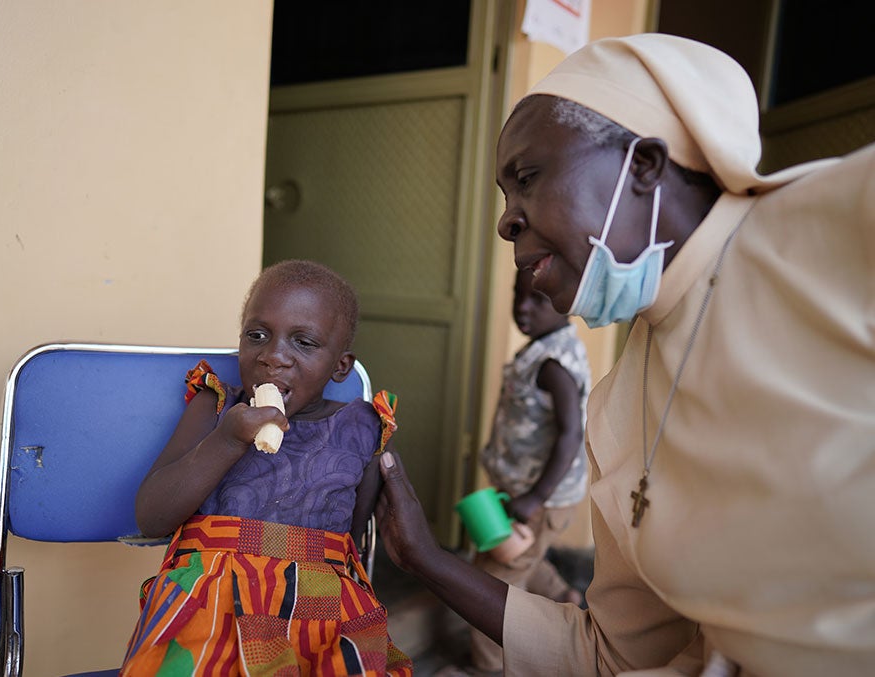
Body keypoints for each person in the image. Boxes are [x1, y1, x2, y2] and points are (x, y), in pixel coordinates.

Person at [375, 33, 875, 676]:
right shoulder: (614, 409)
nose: (506, 222)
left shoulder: (837, 228)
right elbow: (609, 656)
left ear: (644, 166)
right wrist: (423, 557)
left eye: (526, 178)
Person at [120, 259, 412, 676]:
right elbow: (152, 517)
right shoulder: (215, 406)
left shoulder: (362, 429)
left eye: (304, 343)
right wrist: (226, 440)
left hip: (319, 616)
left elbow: (350, 547)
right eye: (257, 335)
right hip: (207, 608)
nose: (273, 357)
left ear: (340, 366)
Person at [458, 268, 590, 675]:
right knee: (524, 559)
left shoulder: (553, 364)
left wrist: (533, 498)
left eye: (538, 299)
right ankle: (569, 599)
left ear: (566, 302)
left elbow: (571, 435)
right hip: (522, 491)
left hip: (538, 497)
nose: (522, 307)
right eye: (518, 295)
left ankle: (489, 667)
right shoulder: (543, 347)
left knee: (493, 585)